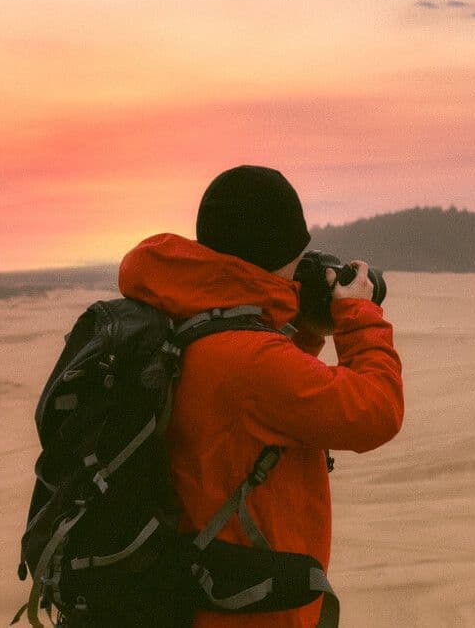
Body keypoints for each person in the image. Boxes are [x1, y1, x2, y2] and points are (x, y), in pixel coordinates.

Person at [117, 165, 405, 627]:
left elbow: (266, 407)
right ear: (273, 252)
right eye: (297, 255)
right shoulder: (251, 359)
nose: (303, 269)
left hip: (208, 597)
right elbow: (376, 412)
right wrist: (359, 314)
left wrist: (306, 331)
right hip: (250, 612)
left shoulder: (188, 318)